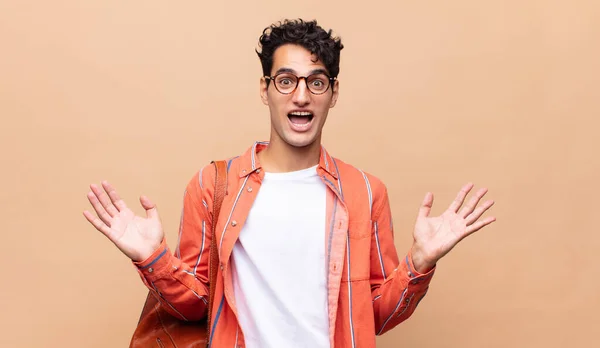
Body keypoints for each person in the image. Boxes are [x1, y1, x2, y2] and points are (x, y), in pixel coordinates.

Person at [83, 18, 496, 348]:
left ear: (332, 94)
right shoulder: (214, 185)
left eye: (316, 82)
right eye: (286, 80)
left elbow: (374, 316)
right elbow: (200, 306)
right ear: (266, 89)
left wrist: (420, 264)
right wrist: (152, 258)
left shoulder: (366, 192)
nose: (301, 96)